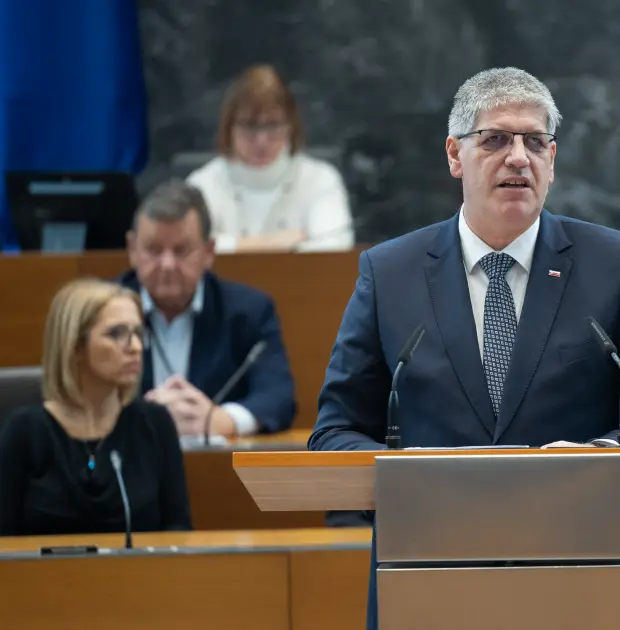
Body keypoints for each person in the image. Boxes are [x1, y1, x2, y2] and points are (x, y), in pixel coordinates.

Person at [309, 66, 620, 630]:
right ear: (454, 156)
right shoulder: (389, 273)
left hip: (589, 578)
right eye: (495, 139)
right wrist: (409, 474)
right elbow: (334, 433)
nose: (518, 157)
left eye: (534, 142)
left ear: (552, 157)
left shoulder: (613, 264)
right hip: (433, 582)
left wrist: (604, 460)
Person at [0, 278, 191, 536]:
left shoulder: (154, 423)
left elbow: (178, 531)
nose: (134, 347)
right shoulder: (25, 432)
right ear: (75, 346)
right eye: (116, 334)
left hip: (139, 575)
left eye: (137, 333)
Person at [120, 178, 297, 438]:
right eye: (154, 250)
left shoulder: (248, 311)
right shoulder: (104, 311)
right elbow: (76, 394)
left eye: (181, 251)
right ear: (132, 249)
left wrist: (222, 421)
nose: (167, 264)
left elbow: (278, 397)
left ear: (208, 252)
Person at [187, 64, 355, 253]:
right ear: (229, 128)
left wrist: (229, 245)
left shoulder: (320, 179)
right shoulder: (202, 185)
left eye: (273, 125)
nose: (261, 140)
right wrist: (277, 243)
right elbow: (189, 249)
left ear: (291, 126)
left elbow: (335, 249)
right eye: (249, 126)